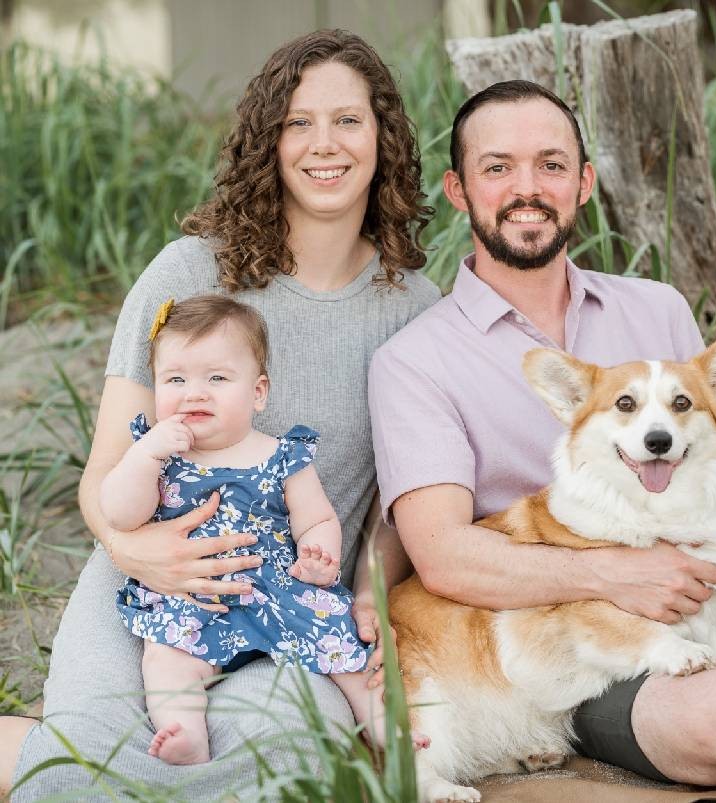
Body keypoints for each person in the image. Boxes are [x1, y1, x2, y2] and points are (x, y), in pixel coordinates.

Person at [1, 29, 440, 800]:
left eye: (347, 120)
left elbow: (399, 505)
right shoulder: (189, 272)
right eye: (298, 122)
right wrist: (136, 551)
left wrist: (368, 591)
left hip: (288, 616)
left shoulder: (412, 309)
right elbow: (102, 474)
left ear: (384, 137)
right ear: (267, 140)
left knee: (286, 776)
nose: (324, 145)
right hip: (141, 593)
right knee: (83, 770)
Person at [368, 79, 716, 786]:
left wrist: (704, 554)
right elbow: (444, 555)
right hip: (578, 642)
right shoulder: (415, 361)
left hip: (708, 577)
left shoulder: (655, 307)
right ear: (458, 188)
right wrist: (620, 574)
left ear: (584, 181)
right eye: (497, 167)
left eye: (550, 163)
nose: (527, 187)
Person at [101, 294, 390, 766]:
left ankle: (386, 727)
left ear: (257, 393)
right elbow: (119, 515)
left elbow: (316, 517)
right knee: (167, 659)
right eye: (176, 379)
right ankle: (185, 730)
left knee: (345, 646)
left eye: (217, 378)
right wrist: (144, 456)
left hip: (280, 589)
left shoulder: (282, 454)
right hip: (193, 594)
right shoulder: (158, 455)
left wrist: (318, 554)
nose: (194, 392)